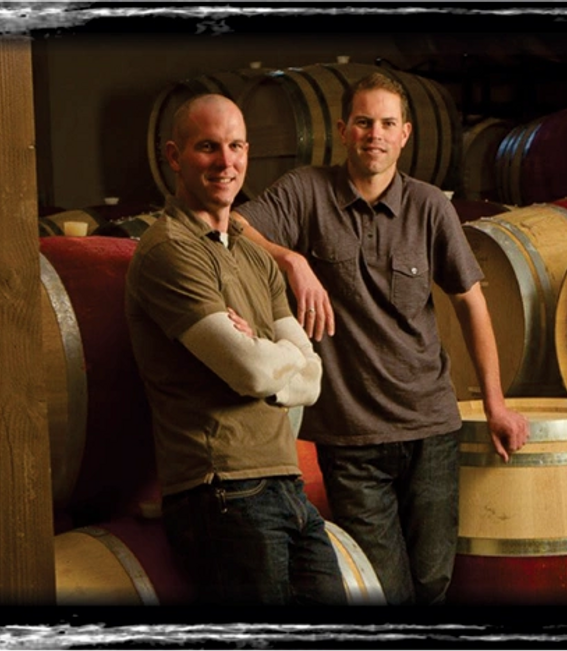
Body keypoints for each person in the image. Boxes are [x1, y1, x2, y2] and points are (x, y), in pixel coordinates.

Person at [231, 72, 529, 605]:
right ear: (344, 130)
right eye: (364, 122)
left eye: (387, 123)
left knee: (434, 580)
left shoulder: (430, 205)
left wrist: (496, 403)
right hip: (351, 439)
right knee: (385, 592)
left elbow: (471, 302)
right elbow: (231, 222)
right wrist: (291, 259)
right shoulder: (306, 191)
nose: (376, 134)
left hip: (430, 427)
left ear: (406, 134)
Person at [125, 93, 346, 605]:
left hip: (287, 486)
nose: (227, 162)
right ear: (174, 156)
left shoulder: (255, 255)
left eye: (236, 146)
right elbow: (252, 374)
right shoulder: (169, 250)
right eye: (208, 147)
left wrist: (272, 353)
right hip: (220, 489)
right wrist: (279, 354)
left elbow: (310, 383)